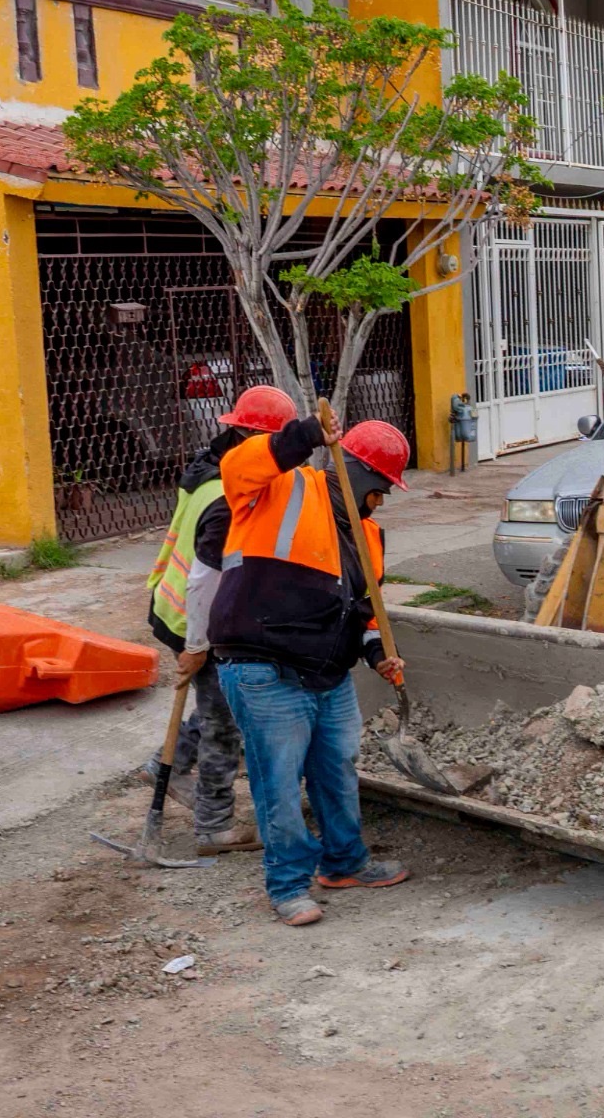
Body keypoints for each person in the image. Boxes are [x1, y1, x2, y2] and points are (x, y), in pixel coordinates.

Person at [209, 406, 414, 926]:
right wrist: (303, 435)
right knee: (277, 782)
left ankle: (345, 863)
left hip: (329, 673)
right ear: (359, 473)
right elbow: (239, 465)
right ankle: (288, 886)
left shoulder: (369, 537)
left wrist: (376, 653)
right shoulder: (281, 488)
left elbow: (365, 612)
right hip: (264, 669)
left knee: (337, 770)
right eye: (380, 489)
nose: (380, 501)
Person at [139, 385, 298, 853]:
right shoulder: (228, 497)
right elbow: (205, 580)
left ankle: (166, 763)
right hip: (196, 617)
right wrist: (197, 646)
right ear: (255, 441)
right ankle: (214, 826)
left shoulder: (206, 467)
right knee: (223, 724)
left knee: (215, 703)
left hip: (170, 602)